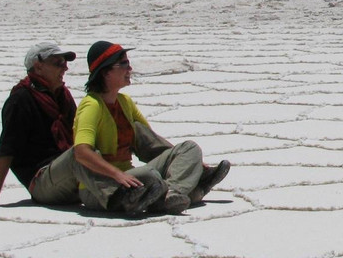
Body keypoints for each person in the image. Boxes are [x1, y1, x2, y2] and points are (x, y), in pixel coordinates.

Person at [72, 41, 230, 215]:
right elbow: (81, 152)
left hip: (131, 178)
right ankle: (187, 190)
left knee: (190, 148)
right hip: (102, 187)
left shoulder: (124, 102)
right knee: (150, 176)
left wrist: (189, 162)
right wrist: (118, 174)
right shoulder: (92, 106)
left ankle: (172, 193)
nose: (129, 68)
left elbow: (152, 142)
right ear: (105, 72)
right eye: (123, 63)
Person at [0, 42, 81, 204]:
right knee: (83, 153)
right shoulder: (21, 100)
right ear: (38, 67)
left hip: (67, 174)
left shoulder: (62, 96)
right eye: (58, 63)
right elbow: (7, 150)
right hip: (41, 181)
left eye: (65, 63)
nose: (65, 68)